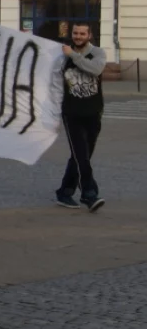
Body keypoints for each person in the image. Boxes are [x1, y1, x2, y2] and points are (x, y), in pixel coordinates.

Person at [56, 22, 106, 212]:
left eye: (82, 33)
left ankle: (64, 192)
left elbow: (96, 70)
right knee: (81, 156)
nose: (78, 36)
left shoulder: (98, 53)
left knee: (82, 156)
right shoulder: (62, 55)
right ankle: (89, 194)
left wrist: (73, 55)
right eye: (75, 33)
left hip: (93, 112)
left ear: (89, 35)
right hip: (72, 113)